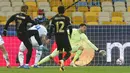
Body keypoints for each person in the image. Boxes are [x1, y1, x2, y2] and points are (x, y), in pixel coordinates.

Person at [38, 23, 106, 67]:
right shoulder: (72, 30)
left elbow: (89, 43)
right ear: (81, 27)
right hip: (63, 45)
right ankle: (37, 64)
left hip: (70, 48)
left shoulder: (83, 36)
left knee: (81, 47)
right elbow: (63, 33)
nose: (85, 29)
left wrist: (98, 50)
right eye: (84, 28)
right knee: (51, 56)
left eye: (85, 28)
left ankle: (72, 62)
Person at [46, 5, 72, 71]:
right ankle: (63, 60)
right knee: (69, 52)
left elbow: (50, 29)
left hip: (57, 37)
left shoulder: (53, 18)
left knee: (60, 51)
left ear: (58, 10)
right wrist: (70, 35)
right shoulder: (66, 18)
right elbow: (70, 27)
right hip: (64, 36)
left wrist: (49, 37)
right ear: (64, 11)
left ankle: (61, 66)